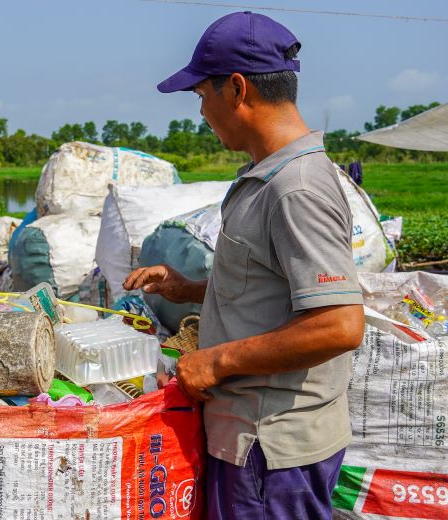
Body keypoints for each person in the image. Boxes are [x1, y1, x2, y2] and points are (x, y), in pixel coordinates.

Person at [124, 12, 365, 519]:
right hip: (255, 442)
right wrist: (191, 289)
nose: (202, 113)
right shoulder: (267, 176)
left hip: (271, 449)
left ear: (236, 89)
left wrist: (215, 361)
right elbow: (278, 285)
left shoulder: (295, 188)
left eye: (201, 96)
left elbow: (339, 324)